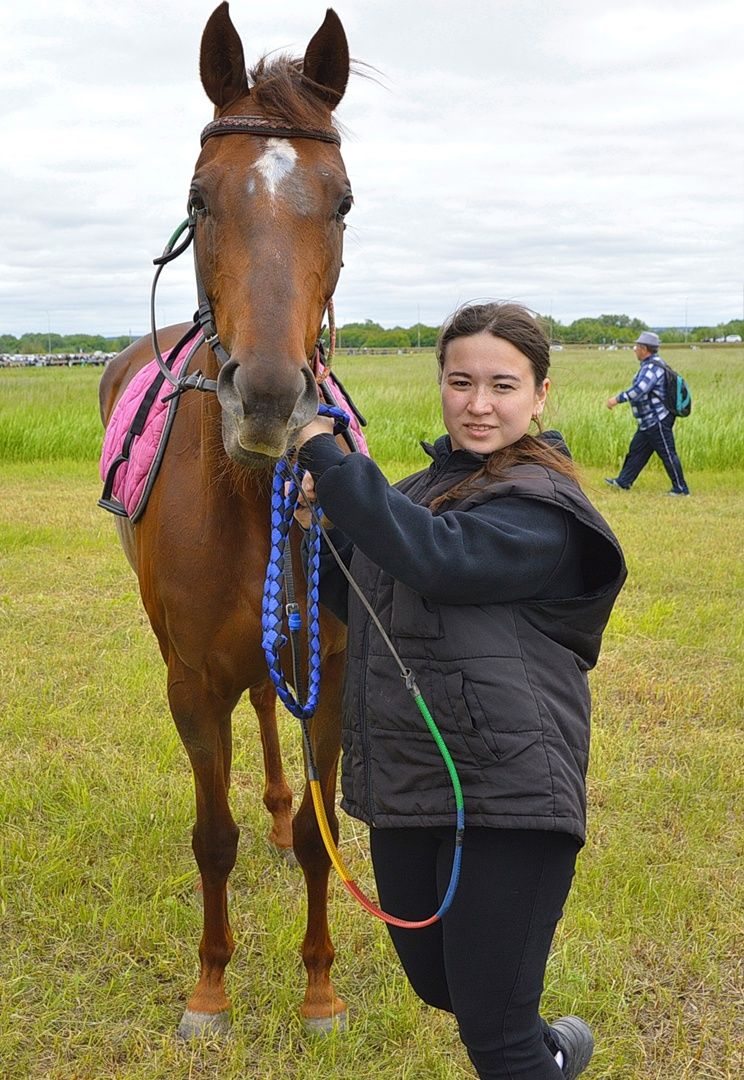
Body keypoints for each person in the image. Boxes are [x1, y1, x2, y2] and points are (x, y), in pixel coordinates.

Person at [292, 302, 627, 1080]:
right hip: (415, 782)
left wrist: (330, 460)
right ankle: (552, 1048)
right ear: (440, 385)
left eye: (503, 385)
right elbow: (377, 594)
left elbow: (444, 562)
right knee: (439, 983)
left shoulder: (544, 506)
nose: (480, 404)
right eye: (461, 381)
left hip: (510, 789)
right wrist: (328, 530)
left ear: (540, 395)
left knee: (494, 1031)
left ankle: (529, 1050)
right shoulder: (416, 489)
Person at [604, 330, 689, 495]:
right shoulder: (651, 365)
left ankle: (681, 489)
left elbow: (640, 390)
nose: (634, 349)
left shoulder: (652, 367)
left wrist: (617, 399)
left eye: (637, 346)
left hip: (657, 420)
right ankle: (623, 482)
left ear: (644, 349)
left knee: (667, 453)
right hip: (648, 421)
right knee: (636, 451)